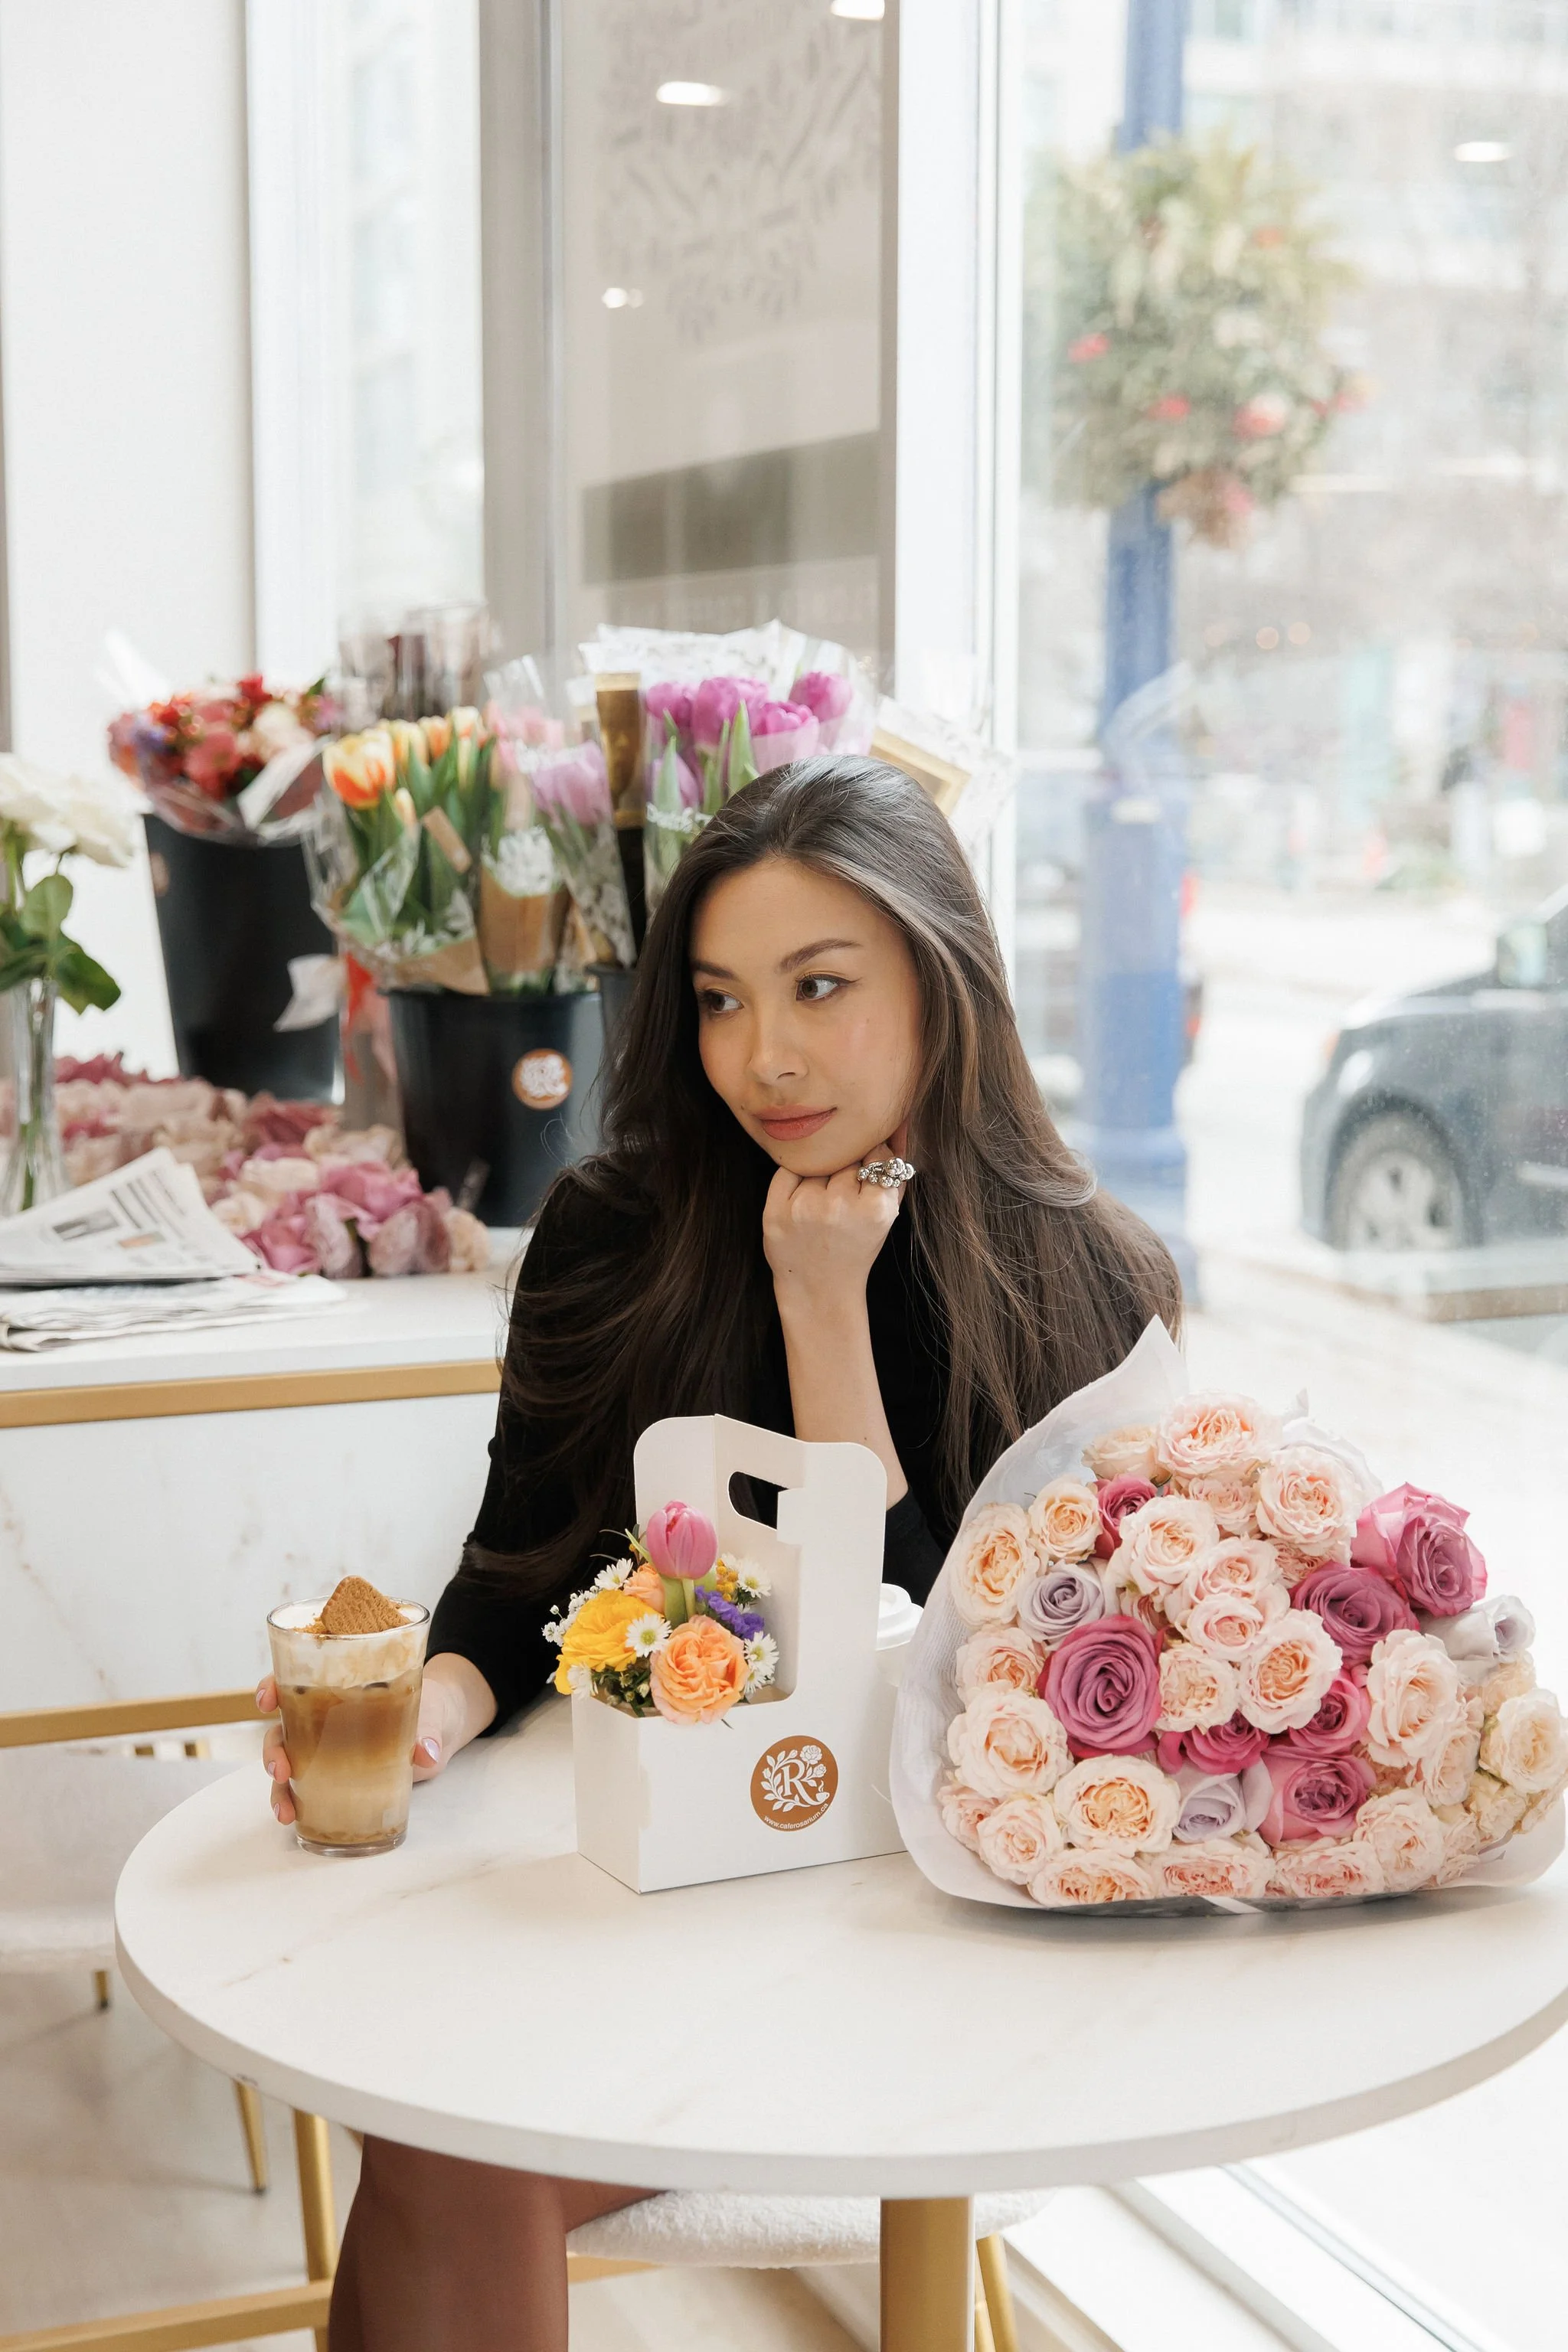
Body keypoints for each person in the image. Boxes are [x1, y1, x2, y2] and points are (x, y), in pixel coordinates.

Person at [257, 755, 1181, 2350]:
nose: (765, 1057)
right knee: (438, 2127)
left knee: (450, 2136)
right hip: (678, 1883)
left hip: (951, 1933)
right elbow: (516, 1573)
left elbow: (950, 1661)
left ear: (941, 981)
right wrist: (432, 1711)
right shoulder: (617, 1229)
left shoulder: (1076, 1274)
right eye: (719, 999)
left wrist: (826, 1307)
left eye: (819, 987)